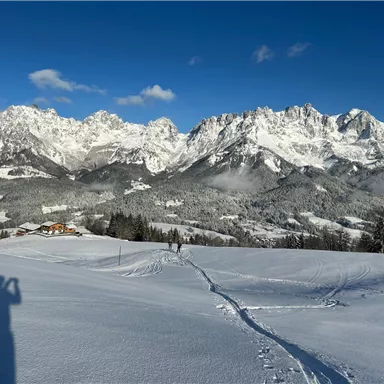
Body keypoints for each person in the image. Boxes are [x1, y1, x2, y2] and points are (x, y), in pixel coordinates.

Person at [0, 276, 21, 384]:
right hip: (4, 333)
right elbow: (17, 300)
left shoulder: (4, 293)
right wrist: (15, 285)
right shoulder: (5, 294)